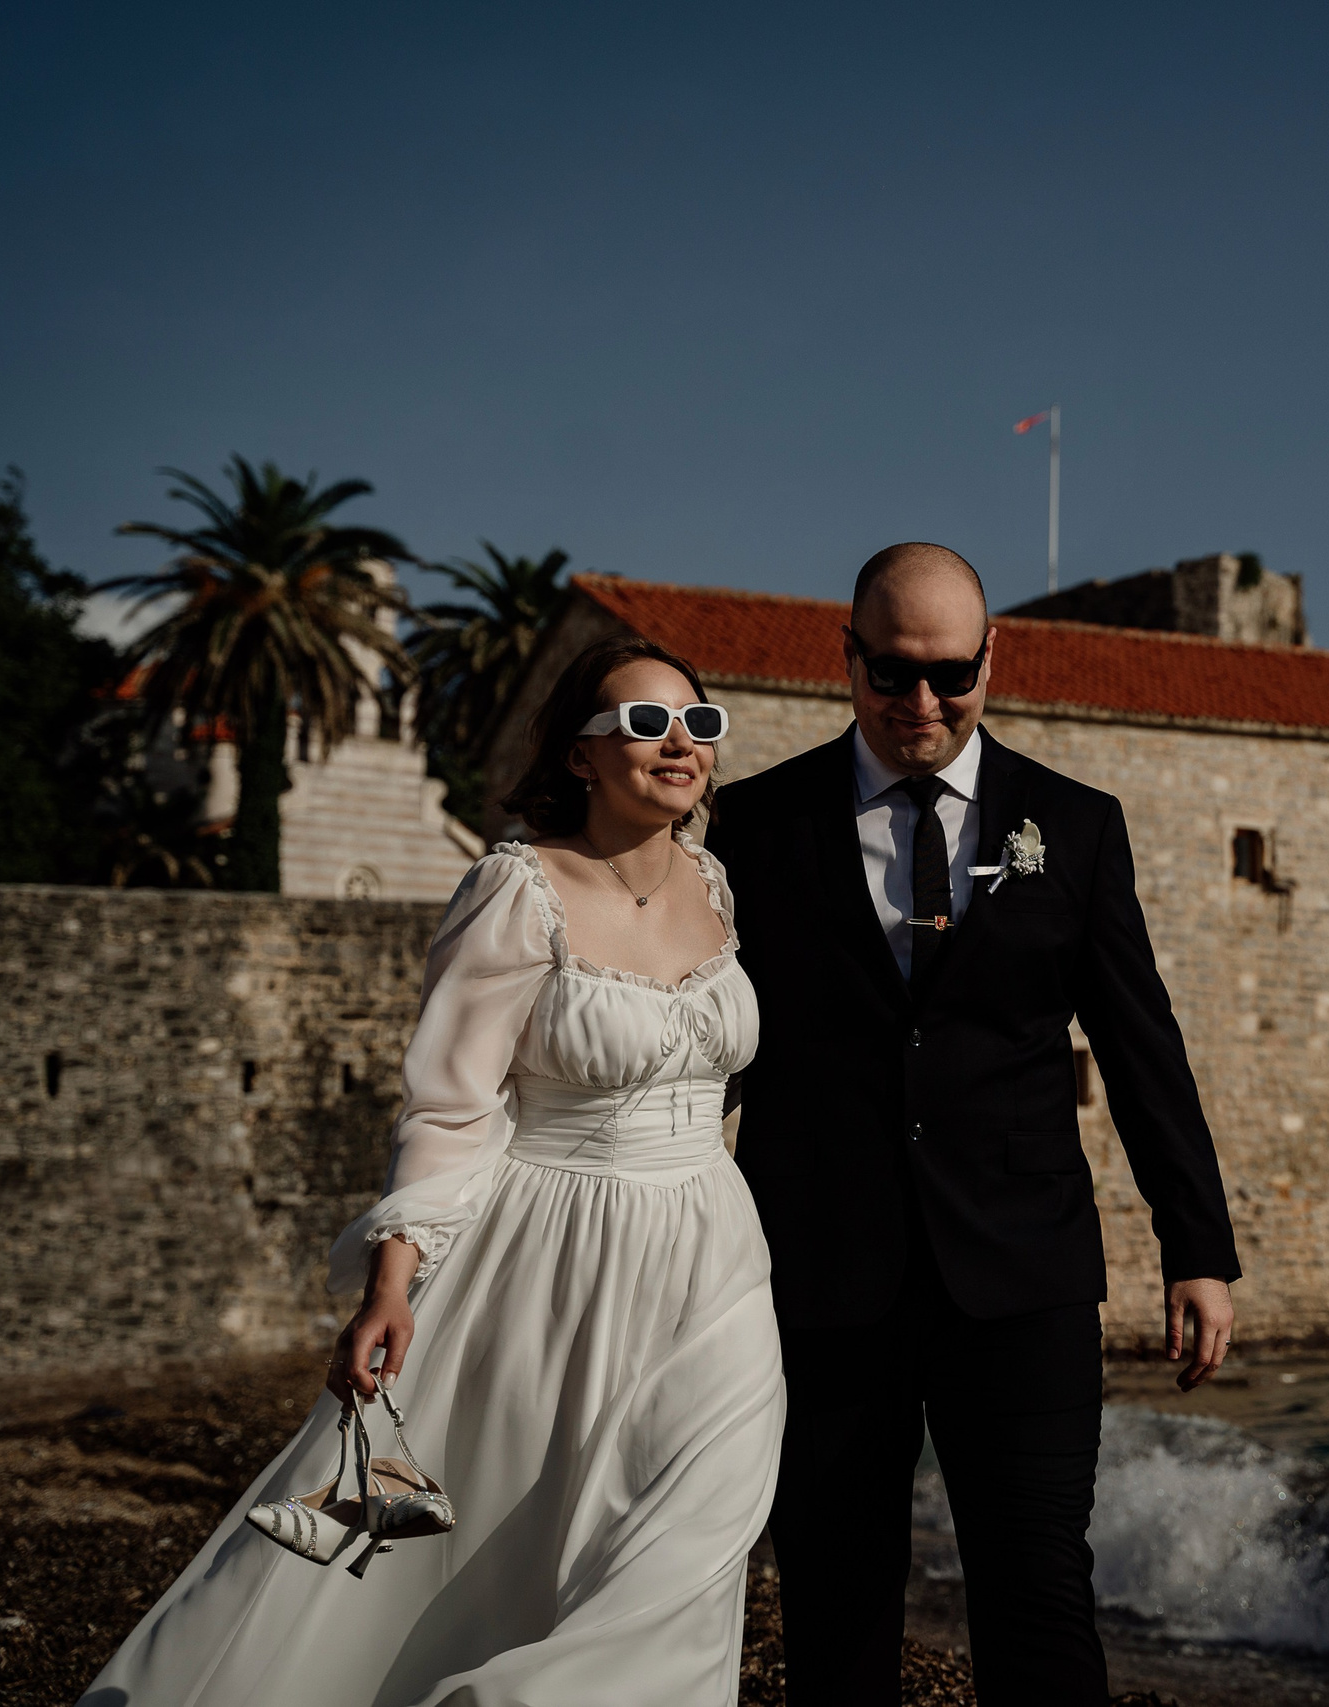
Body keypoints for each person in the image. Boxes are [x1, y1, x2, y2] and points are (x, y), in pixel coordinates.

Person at [82, 638, 783, 1707]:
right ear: (582, 756)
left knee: (691, 1550)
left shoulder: (718, 885)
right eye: (643, 724)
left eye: (699, 721)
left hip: (717, 1258)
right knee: (523, 1557)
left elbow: (714, 1077)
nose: (679, 743)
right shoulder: (516, 889)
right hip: (555, 1258)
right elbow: (451, 1107)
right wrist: (392, 1283)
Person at [708, 542, 1241, 1707]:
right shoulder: (751, 828)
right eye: (892, 675)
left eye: (952, 675)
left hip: (1027, 1270)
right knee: (836, 1597)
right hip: (823, 1276)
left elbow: (1144, 1047)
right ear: (844, 660)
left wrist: (1196, 1248)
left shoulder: (1077, 826)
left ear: (993, 659)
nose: (923, 705)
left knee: (1039, 1590)